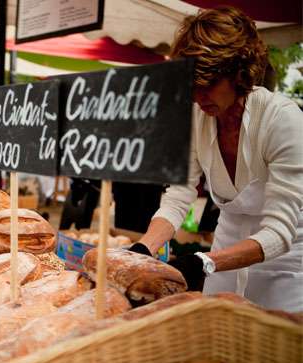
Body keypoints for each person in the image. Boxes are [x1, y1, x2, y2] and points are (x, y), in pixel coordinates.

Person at [130, 6, 303, 311]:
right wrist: (144, 248)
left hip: (284, 260)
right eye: (192, 86)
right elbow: (179, 196)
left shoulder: (282, 119)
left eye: (208, 84)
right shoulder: (197, 116)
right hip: (225, 245)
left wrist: (203, 261)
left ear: (239, 72)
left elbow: (279, 232)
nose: (198, 96)